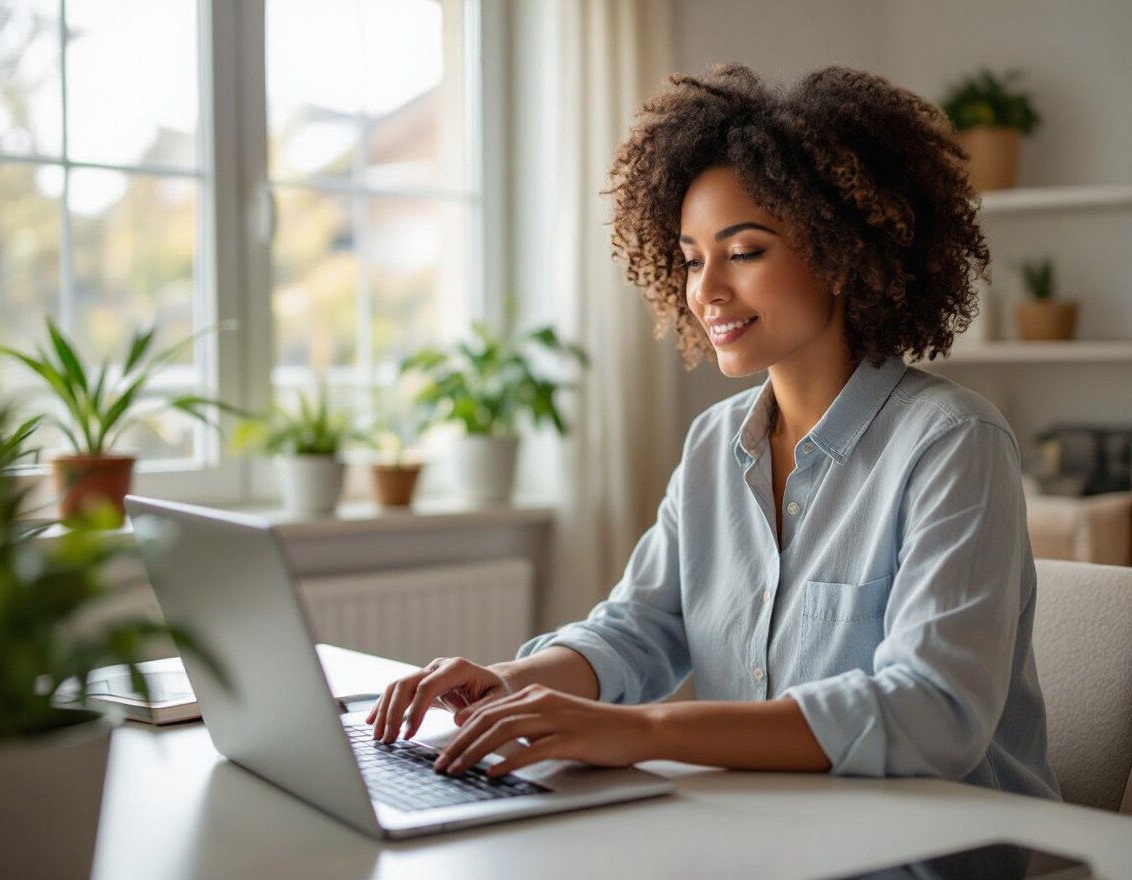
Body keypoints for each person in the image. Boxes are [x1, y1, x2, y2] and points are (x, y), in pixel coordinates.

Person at [366, 64, 1061, 800]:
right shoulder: (713, 445)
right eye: (693, 260)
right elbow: (638, 630)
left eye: (745, 252)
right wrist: (507, 682)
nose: (707, 291)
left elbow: (933, 713)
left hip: (938, 851)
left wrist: (645, 733)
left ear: (841, 250)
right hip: (766, 830)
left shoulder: (952, 444)